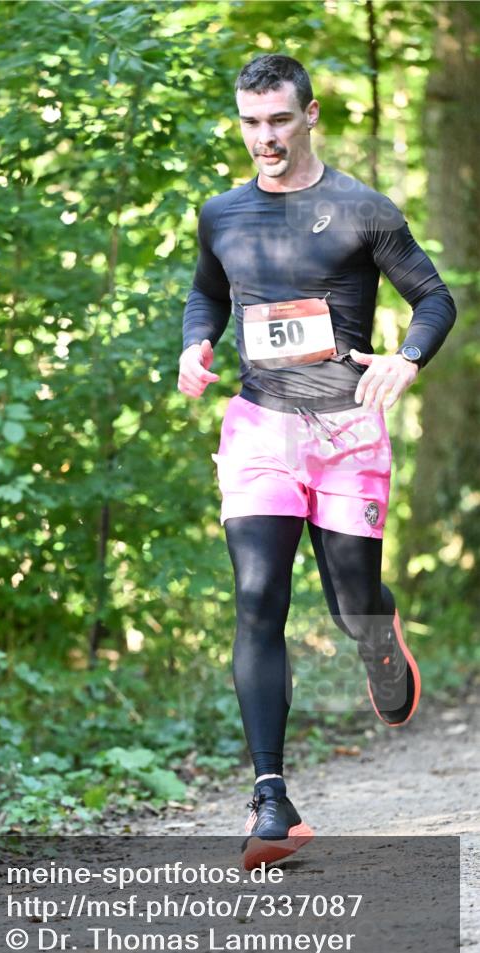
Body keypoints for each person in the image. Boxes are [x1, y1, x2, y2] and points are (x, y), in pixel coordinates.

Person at [178, 54, 456, 856]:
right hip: (260, 426)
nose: (262, 137)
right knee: (257, 597)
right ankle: (271, 798)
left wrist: (407, 357)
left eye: (277, 120)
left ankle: (378, 638)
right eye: (249, 121)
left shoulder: (360, 209)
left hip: (345, 430)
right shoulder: (221, 213)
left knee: (348, 601)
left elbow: (433, 296)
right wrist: (197, 344)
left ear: (309, 117)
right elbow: (207, 291)